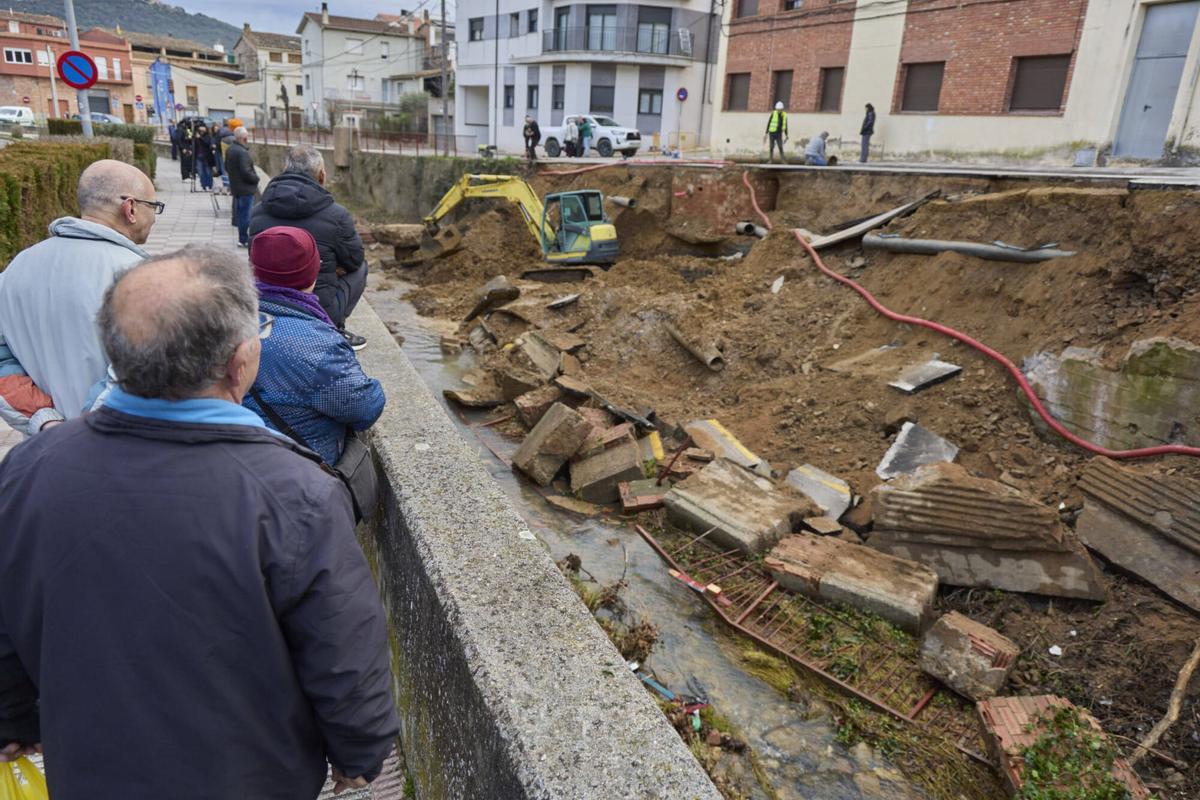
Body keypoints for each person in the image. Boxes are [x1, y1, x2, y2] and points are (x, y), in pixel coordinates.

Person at [0, 245, 400, 798]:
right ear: (240, 361)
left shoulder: (28, 468)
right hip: (250, 774)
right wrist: (359, 750)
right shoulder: (296, 491)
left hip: (91, 765)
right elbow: (343, 642)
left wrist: (13, 718)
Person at [0, 160, 156, 435]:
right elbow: (139, 371)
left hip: (47, 449)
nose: (154, 217)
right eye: (153, 207)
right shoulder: (140, 277)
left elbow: (4, 364)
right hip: (122, 451)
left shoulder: (16, 267)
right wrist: (84, 432)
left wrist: (46, 420)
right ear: (130, 208)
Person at [244, 227, 385, 464]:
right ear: (313, 272)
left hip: (234, 463)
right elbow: (364, 409)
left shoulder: (222, 319)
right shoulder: (319, 345)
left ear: (252, 270)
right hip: (299, 473)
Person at [249, 144, 369, 350]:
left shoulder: (258, 211)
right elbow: (354, 260)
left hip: (265, 304)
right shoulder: (336, 214)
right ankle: (335, 329)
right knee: (361, 267)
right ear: (321, 176)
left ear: (284, 170)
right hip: (318, 309)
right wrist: (332, 267)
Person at [225, 126, 258, 248]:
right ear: (244, 138)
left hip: (236, 187)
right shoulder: (242, 152)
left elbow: (226, 167)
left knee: (240, 213)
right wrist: (256, 179)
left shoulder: (230, 149)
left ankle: (241, 238)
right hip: (245, 188)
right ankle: (243, 239)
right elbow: (246, 171)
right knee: (245, 214)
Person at [193, 123, 216, 191]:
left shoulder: (208, 136)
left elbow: (207, 143)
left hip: (207, 157)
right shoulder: (196, 136)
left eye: (203, 128)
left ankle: (209, 185)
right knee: (201, 172)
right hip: (198, 156)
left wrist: (200, 138)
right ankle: (203, 185)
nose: (202, 130)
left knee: (208, 172)